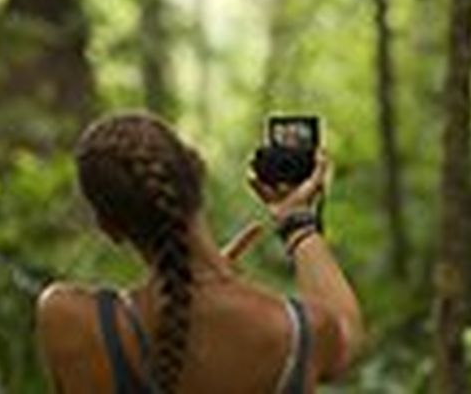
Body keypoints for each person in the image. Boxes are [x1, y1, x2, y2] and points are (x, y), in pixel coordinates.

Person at [36, 111, 364, 393]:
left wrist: (186, 280)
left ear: (110, 228)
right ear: (197, 173)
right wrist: (298, 224)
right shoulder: (300, 331)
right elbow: (347, 330)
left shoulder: (67, 319)